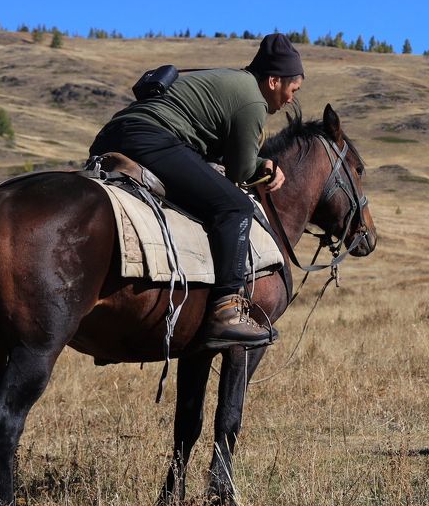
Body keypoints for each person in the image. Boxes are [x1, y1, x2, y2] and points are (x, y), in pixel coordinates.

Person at [89, 33, 304, 349]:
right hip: (150, 138)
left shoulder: (230, 81)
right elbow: (241, 171)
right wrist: (265, 167)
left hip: (114, 133)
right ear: (274, 81)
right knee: (235, 208)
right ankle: (227, 310)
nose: (291, 99)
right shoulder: (253, 101)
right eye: (292, 89)